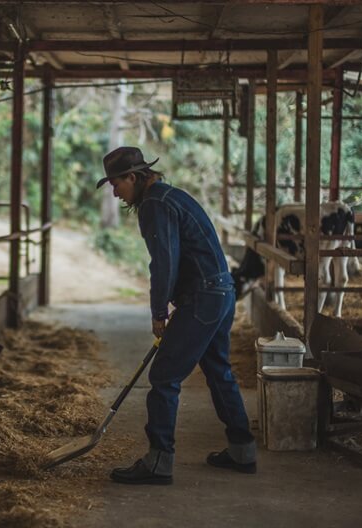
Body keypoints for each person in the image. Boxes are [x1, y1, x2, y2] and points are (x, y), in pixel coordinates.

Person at [97, 146, 256, 485]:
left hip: (202, 297)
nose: (114, 191)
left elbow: (164, 261)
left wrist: (159, 311)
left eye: (116, 183)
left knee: (164, 377)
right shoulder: (173, 196)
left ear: (133, 177)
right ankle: (242, 450)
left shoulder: (154, 204)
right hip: (221, 291)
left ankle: (158, 462)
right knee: (219, 371)